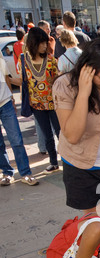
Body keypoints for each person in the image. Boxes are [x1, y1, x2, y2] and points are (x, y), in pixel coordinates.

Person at [52, 38, 100, 214]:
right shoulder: (64, 85)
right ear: (87, 68)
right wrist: (83, 92)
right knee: (93, 224)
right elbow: (72, 135)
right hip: (80, 164)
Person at [20, 27, 60, 173]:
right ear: (33, 43)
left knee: (60, 132)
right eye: (41, 43)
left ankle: (68, 161)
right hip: (36, 104)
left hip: (54, 103)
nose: (45, 46)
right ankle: (54, 162)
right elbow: (23, 81)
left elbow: (58, 80)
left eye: (45, 42)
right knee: (46, 134)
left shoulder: (51, 60)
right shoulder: (24, 59)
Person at [0, 57, 38, 186]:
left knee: (16, 139)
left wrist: (11, 96)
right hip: (5, 102)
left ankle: (25, 173)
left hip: (5, 102)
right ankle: (7, 172)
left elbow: (5, 77)